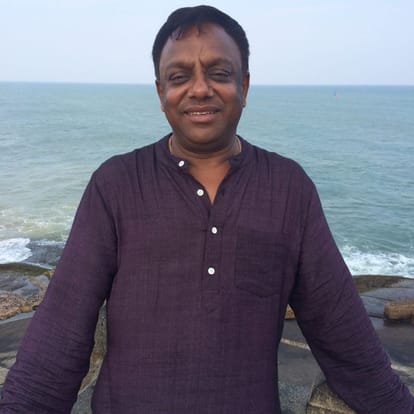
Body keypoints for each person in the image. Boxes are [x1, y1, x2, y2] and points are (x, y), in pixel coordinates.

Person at [1, 5, 413, 414]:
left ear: (244, 85)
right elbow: (57, 338)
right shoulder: (116, 185)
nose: (199, 89)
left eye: (219, 73)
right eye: (179, 77)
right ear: (161, 92)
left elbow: (344, 334)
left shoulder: (289, 189)